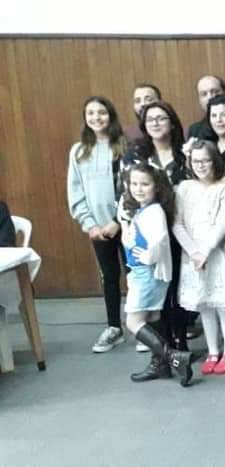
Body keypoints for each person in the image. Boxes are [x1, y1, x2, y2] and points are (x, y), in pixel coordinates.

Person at [121, 101, 191, 353]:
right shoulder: (136, 155)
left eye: (161, 118)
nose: (156, 123)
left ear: (171, 123)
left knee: (177, 290)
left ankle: (179, 344)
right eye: (150, 119)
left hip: (181, 230)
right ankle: (164, 352)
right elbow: (126, 193)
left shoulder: (185, 154)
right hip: (148, 231)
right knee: (155, 298)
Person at [118, 162, 195, 386]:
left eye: (145, 184)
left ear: (156, 186)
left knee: (133, 321)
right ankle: (160, 365)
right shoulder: (143, 211)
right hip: (145, 275)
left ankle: (174, 357)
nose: (138, 188)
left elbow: (160, 240)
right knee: (152, 317)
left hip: (146, 275)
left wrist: (148, 257)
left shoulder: (153, 212)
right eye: (134, 183)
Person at [172, 140, 225, 375]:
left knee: (221, 303)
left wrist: (206, 250)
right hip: (192, 255)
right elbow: (177, 223)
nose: (200, 165)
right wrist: (193, 252)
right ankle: (213, 350)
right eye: (196, 161)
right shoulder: (184, 188)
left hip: (217, 253)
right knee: (204, 304)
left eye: (206, 160)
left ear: (215, 161)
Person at [67, 96, 128, 353]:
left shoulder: (123, 146)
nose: (96, 118)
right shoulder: (79, 151)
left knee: (136, 275)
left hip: (126, 224)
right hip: (98, 229)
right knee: (109, 276)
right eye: (90, 113)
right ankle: (114, 327)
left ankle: (143, 326)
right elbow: (75, 191)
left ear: (110, 115)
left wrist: (118, 221)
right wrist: (90, 224)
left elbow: (132, 187)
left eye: (101, 112)